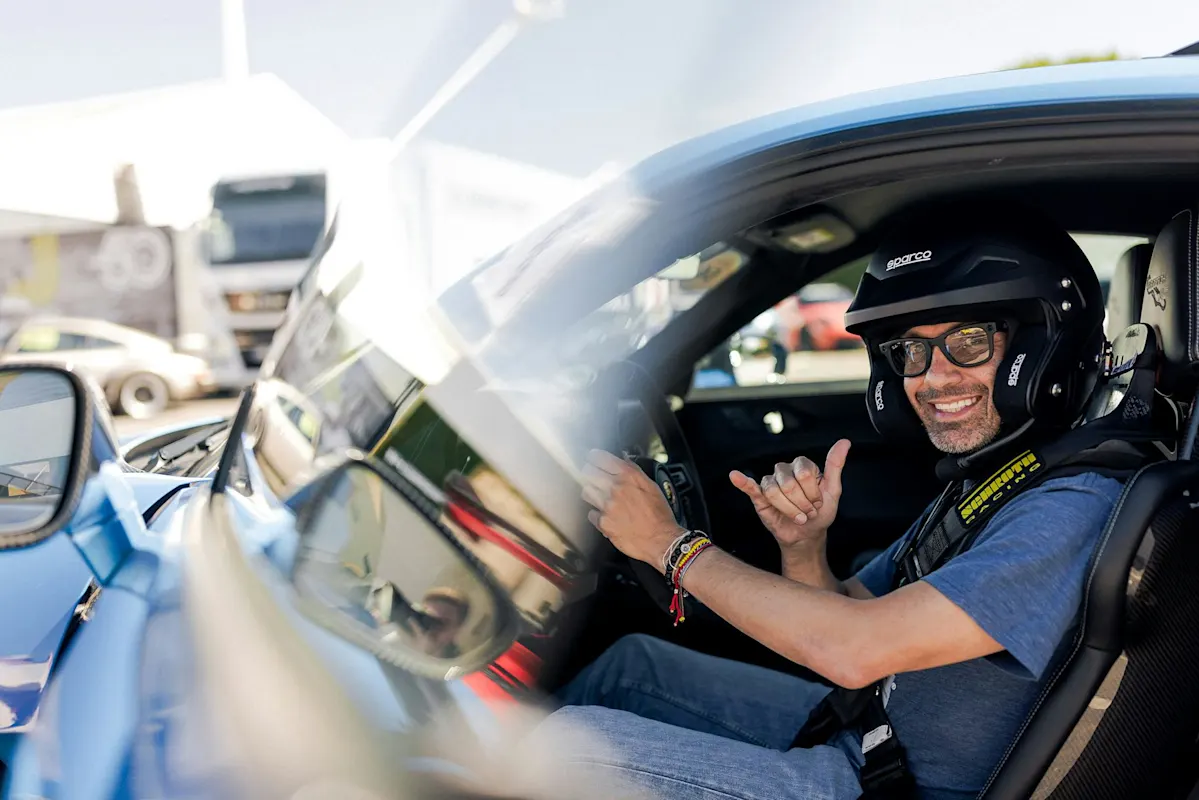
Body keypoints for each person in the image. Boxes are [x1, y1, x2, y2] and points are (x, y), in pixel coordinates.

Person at [543, 201, 1139, 799]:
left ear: (1039, 346)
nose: (931, 378)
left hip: (884, 786)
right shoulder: (996, 479)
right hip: (868, 735)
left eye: (969, 340)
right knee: (633, 665)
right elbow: (845, 610)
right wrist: (803, 545)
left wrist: (667, 546)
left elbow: (855, 650)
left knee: (556, 752)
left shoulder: (1067, 507)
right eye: (909, 351)